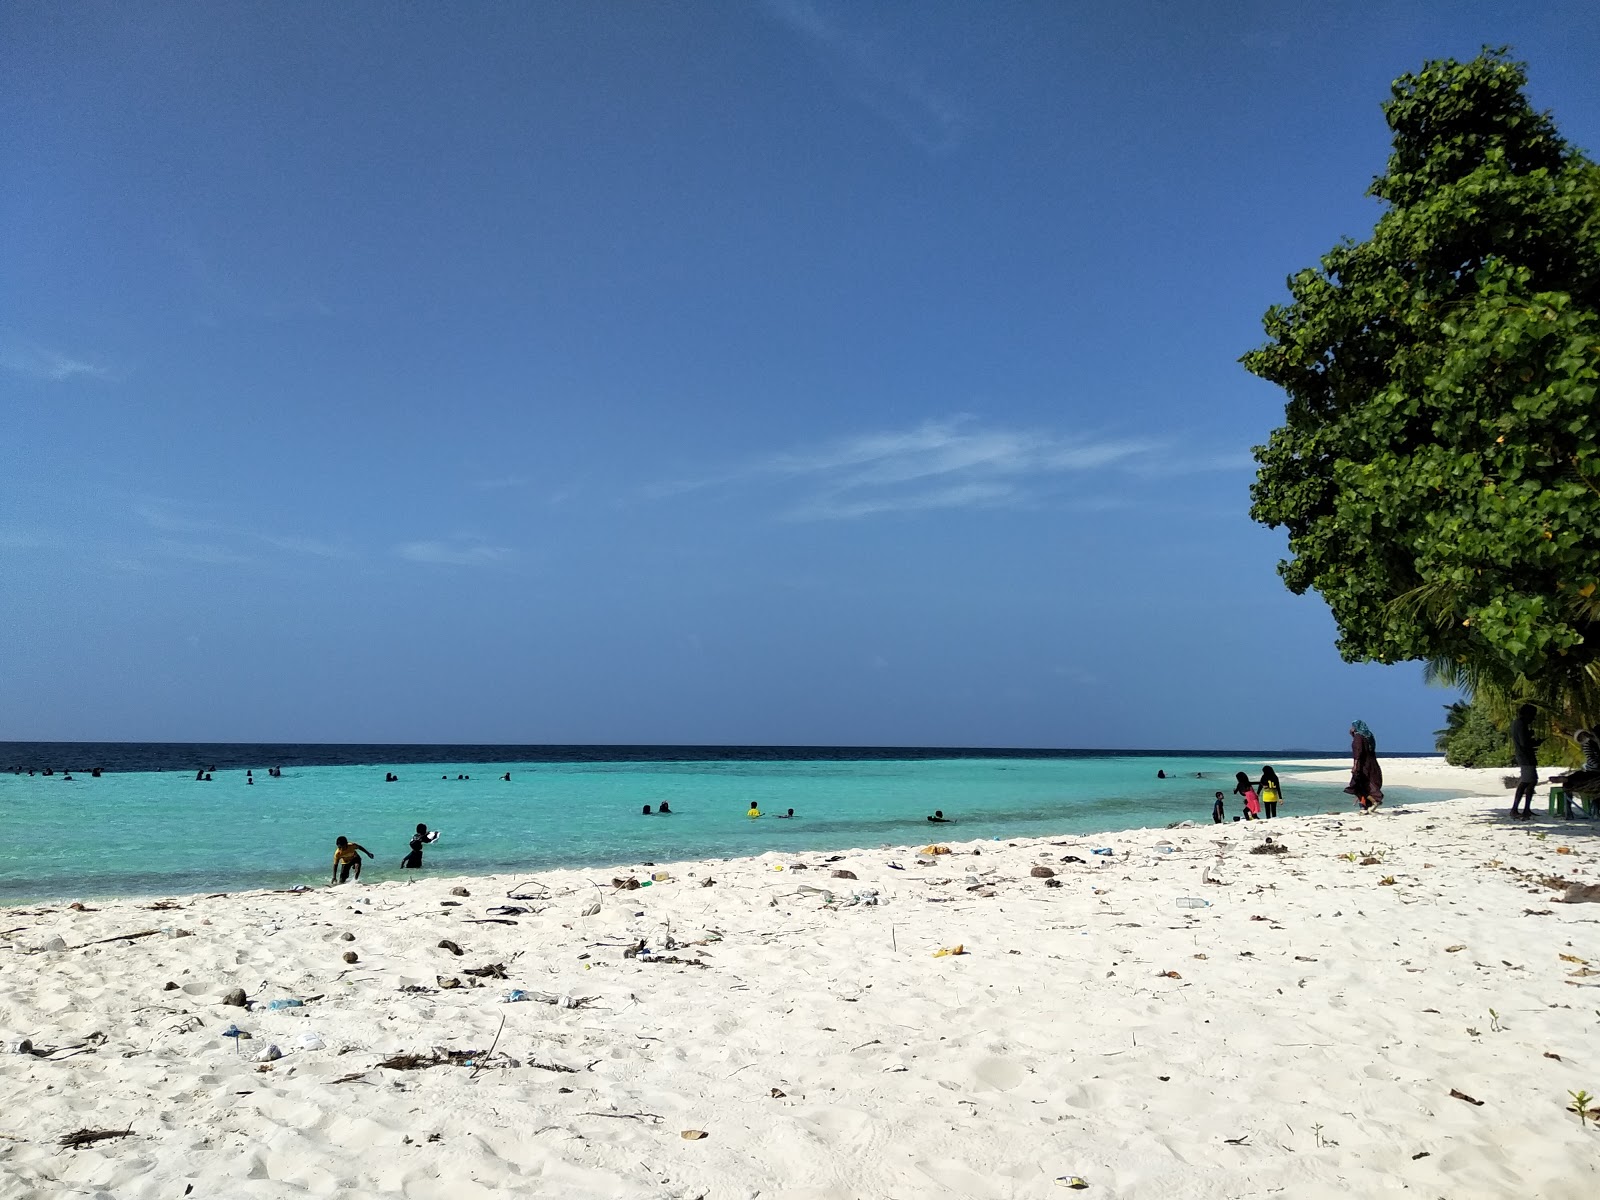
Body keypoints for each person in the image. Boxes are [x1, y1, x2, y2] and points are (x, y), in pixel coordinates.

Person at [1344, 720, 1385, 812]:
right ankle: (1365, 806)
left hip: (1363, 765)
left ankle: (1372, 802)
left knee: (1358, 785)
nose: (1351, 728)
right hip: (1372, 763)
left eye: (1353, 726)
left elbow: (1358, 752)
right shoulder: (1368, 736)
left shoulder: (1358, 737)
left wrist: (1355, 765)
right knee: (1367, 784)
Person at [1510, 704, 1539, 819]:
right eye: (1532, 716)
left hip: (1524, 756)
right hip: (1526, 757)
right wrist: (1535, 743)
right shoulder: (1521, 724)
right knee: (1528, 782)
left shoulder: (1516, 724)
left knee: (1528, 782)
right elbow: (1524, 743)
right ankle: (1520, 809)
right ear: (1527, 714)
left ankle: (1523, 809)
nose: (1532, 719)